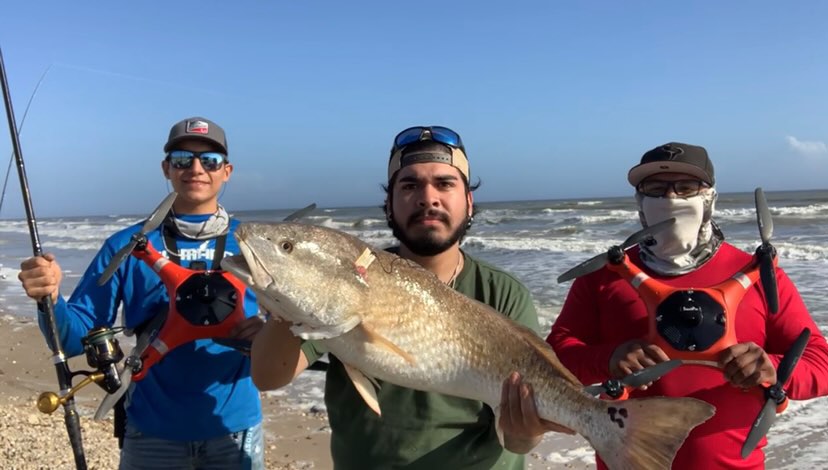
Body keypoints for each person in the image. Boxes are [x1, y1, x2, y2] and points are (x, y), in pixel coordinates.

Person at [251, 125, 570, 469]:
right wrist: (285, 298)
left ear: (468, 201)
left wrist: (524, 430)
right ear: (388, 203)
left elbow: (518, 442)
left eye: (445, 184)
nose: (427, 197)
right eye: (410, 185)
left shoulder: (502, 292)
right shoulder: (345, 276)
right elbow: (269, 377)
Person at [547, 142, 828, 469]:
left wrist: (771, 369)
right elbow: (554, 358)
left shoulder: (758, 274)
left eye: (686, 187)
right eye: (655, 188)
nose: (670, 198)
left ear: (710, 197)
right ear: (639, 200)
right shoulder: (601, 277)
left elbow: (820, 363)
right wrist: (608, 358)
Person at [18, 117, 266, 469]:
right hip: (152, 433)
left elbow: (301, 324)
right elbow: (74, 339)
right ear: (166, 168)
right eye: (182, 158)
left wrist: (272, 332)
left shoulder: (261, 246)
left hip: (236, 429)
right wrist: (51, 298)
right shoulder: (127, 247)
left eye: (209, 160)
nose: (196, 168)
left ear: (227, 171)